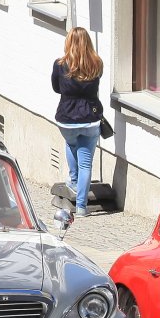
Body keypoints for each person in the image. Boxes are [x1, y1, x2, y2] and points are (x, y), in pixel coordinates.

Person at [50, 26, 104, 218]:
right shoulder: (97, 64)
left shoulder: (60, 64)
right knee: (86, 164)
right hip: (90, 119)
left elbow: (56, 88)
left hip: (66, 119)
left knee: (71, 143)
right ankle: (81, 207)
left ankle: (73, 181)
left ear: (69, 43)